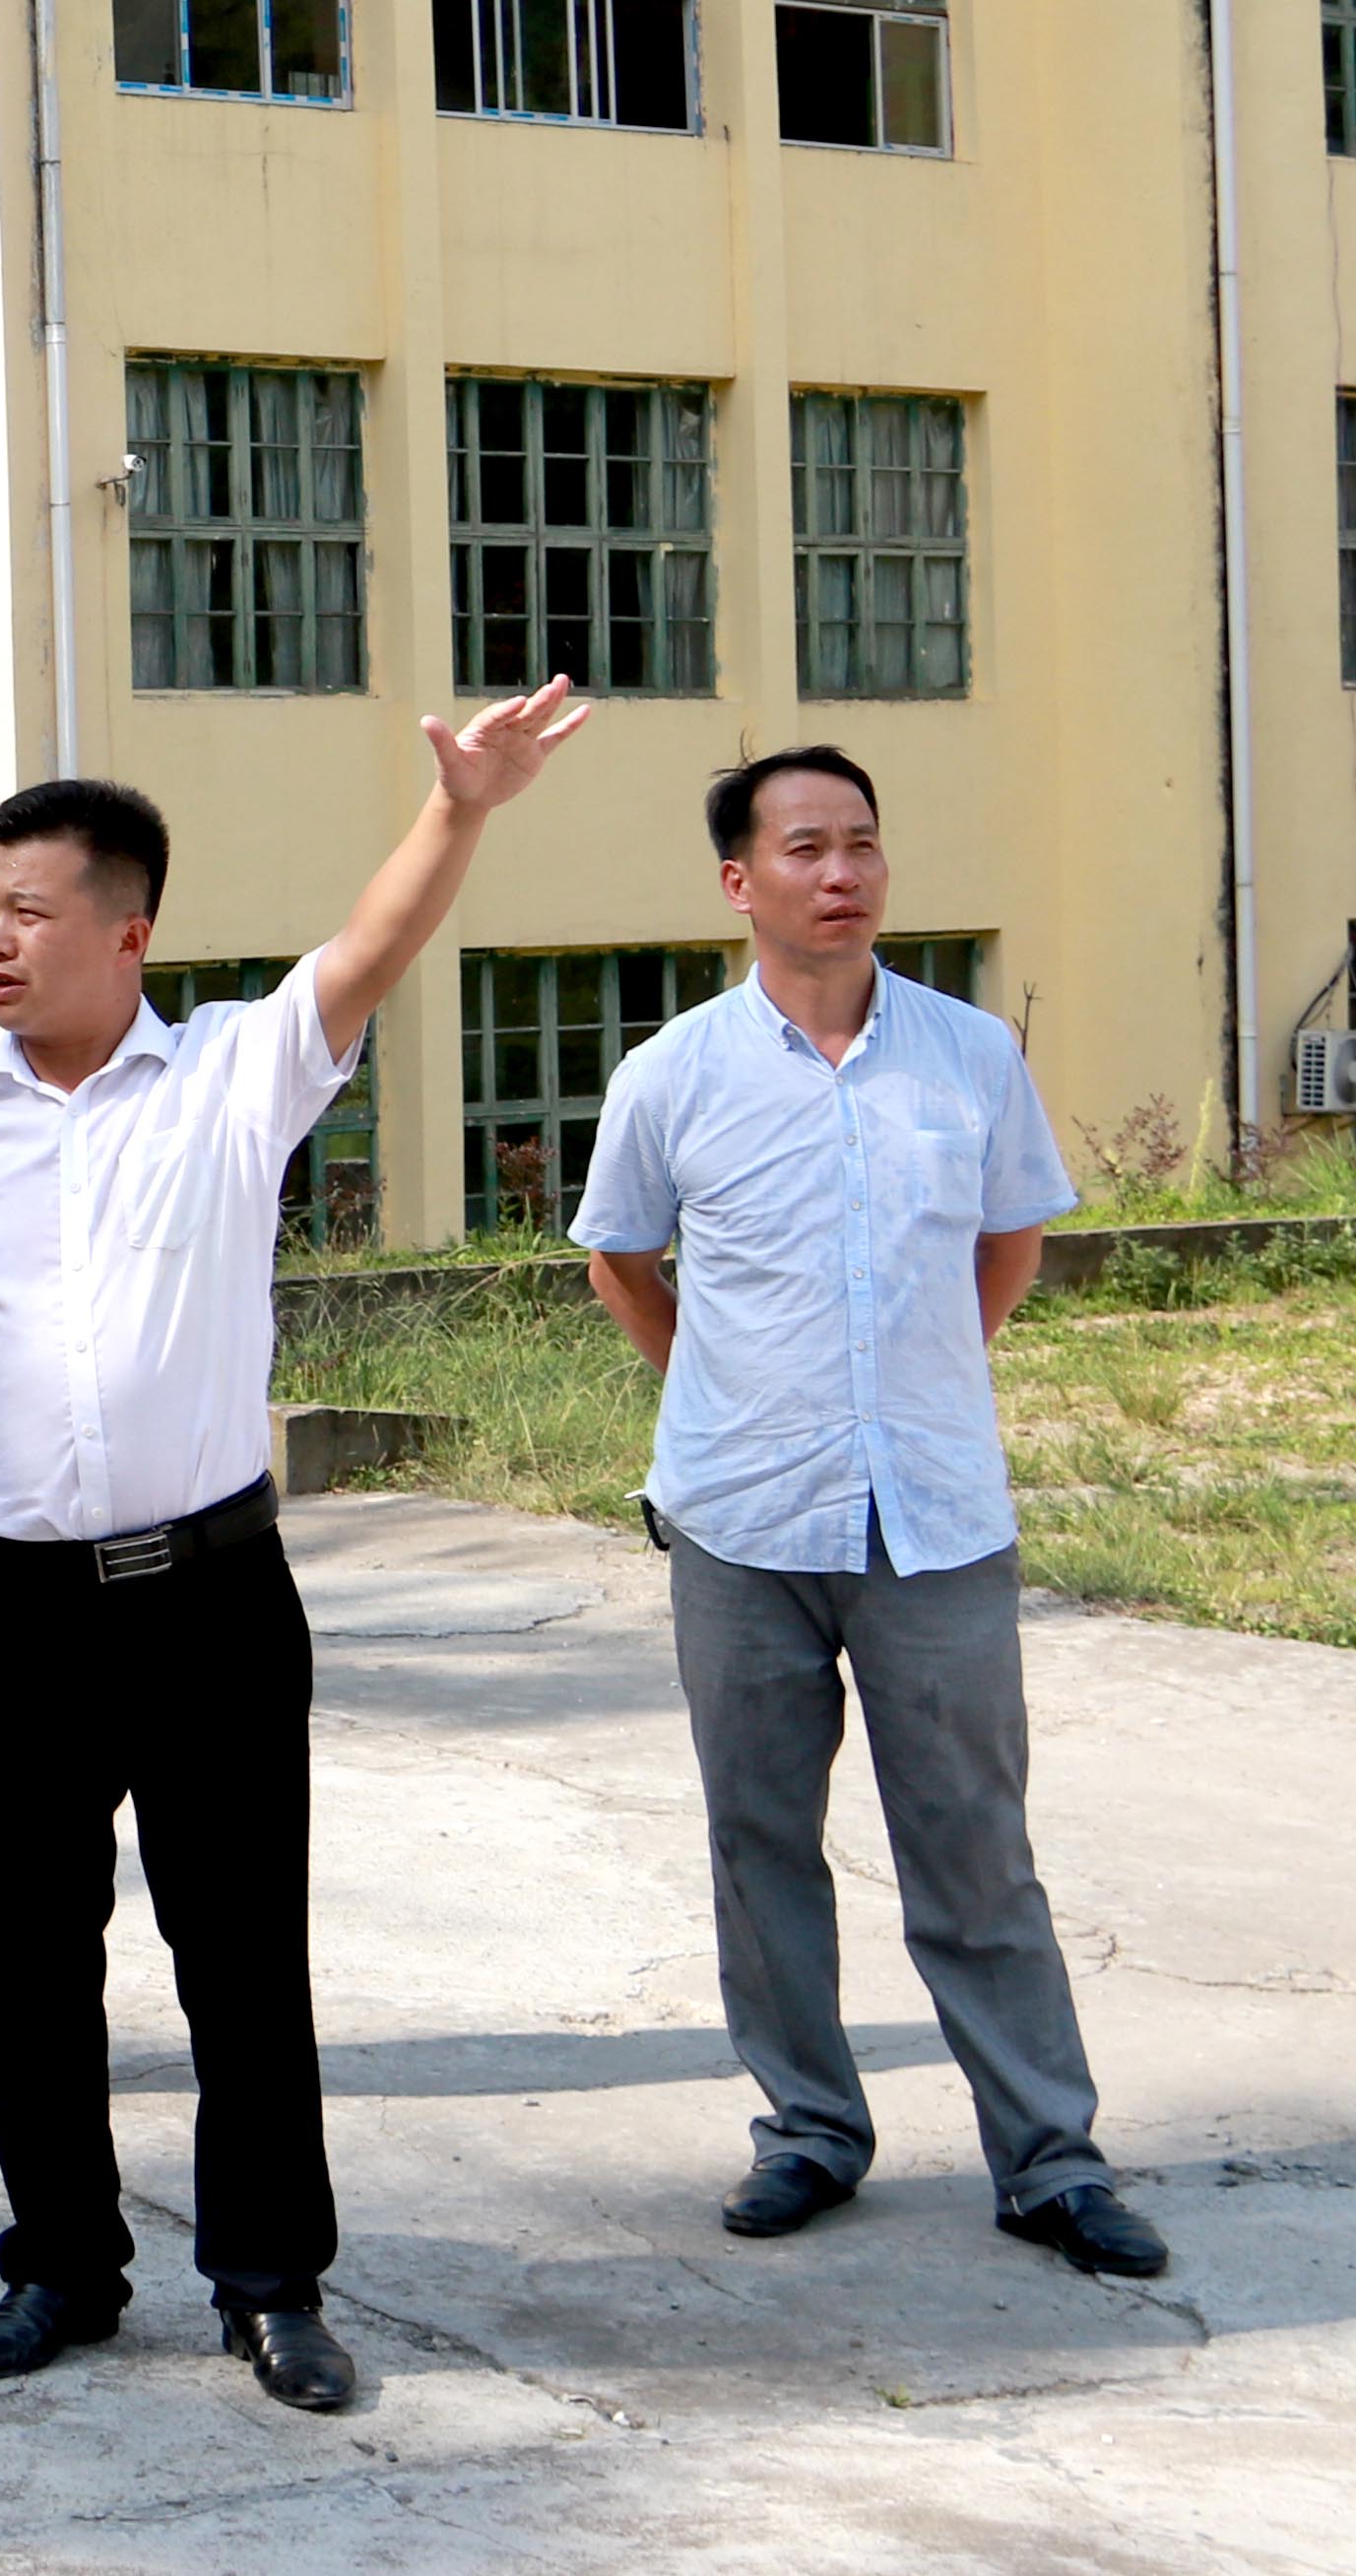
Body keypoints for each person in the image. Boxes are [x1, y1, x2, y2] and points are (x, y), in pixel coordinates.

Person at [0, 682, 594, 2412]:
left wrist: (461, 807)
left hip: (212, 1599)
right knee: (28, 1963)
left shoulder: (235, 1074)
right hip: (10, 1607)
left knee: (241, 1954)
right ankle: (62, 2272)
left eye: (25, 910)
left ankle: (268, 2282)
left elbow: (372, 945)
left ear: (126, 928)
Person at [566, 747, 1167, 2279]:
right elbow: (623, 1261)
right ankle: (810, 2131)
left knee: (973, 1845)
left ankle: (1048, 2159)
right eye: (805, 848)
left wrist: (908, 1382)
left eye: (861, 846)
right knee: (760, 1839)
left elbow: (1006, 1246)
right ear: (737, 882)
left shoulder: (966, 1056)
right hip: (739, 1525)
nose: (840, 873)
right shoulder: (671, 1075)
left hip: (934, 1523)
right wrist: (731, 1392)